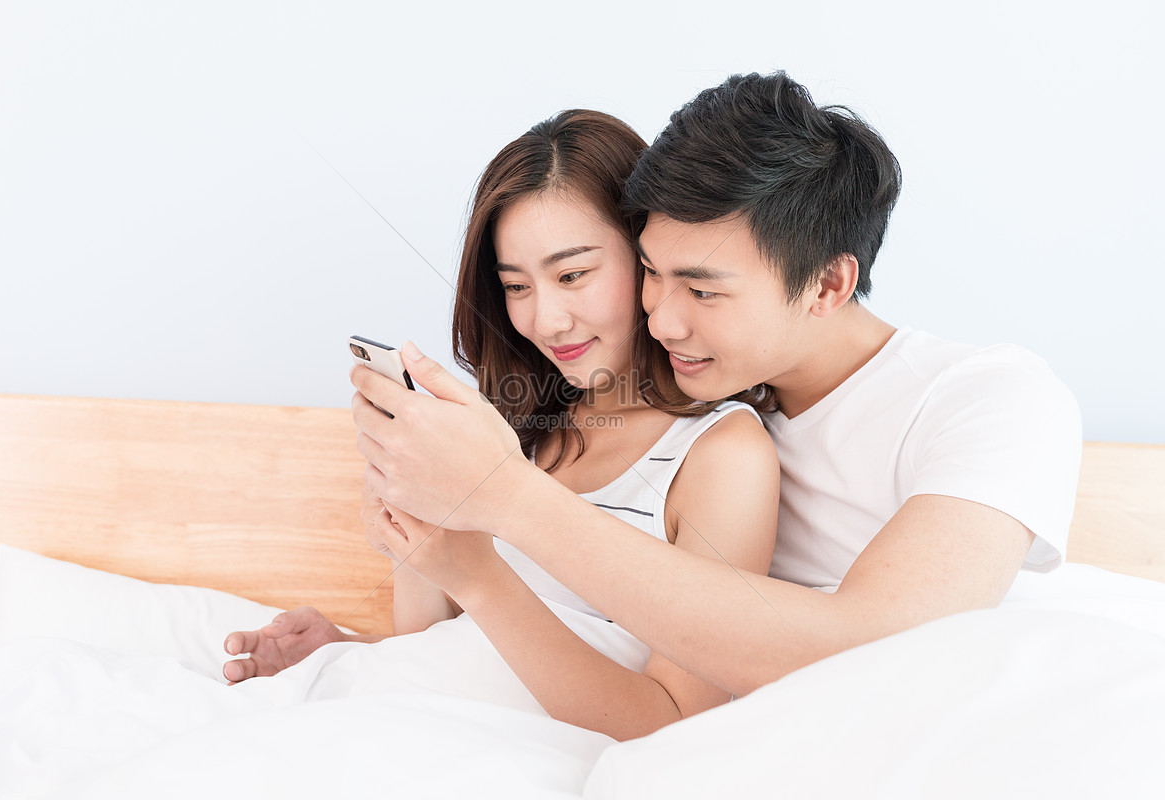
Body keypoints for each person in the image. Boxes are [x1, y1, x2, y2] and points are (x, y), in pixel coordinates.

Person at [350, 72, 1083, 697]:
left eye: (701, 290)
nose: (662, 320)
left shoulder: (992, 400)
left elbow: (874, 649)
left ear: (828, 283)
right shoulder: (662, 397)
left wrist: (505, 496)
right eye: (653, 275)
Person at [224, 109, 780, 740]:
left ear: (648, 258)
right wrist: (349, 648)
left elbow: (676, 726)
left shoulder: (721, 454)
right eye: (517, 286)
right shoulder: (519, 430)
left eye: (573, 275)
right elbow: (443, 648)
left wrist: (478, 576)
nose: (547, 321)